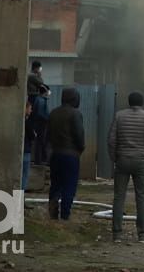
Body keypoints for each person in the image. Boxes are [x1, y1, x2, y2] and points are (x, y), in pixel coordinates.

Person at [109, 91, 144, 244]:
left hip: (122, 160)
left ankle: (117, 234)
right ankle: (142, 234)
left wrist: (114, 158)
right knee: (141, 197)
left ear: (129, 102)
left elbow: (111, 140)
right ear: (142, 102)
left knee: (119, 196)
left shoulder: (119, 116)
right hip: (141, 161)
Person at [46, 88, 86, 220]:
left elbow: (48, 135)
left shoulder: (53, 113)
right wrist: (80, 149)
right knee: (69, 186)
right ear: (75, 98)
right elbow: (79, 135)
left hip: (55, 153)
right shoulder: (75, 114)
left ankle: (53, 212)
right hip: (71, 155)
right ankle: (65, 214)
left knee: (55, 184)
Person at [22, 100, 35, 192]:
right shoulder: (27, 122)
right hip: (26, 151)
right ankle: (20, 196)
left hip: (21, 150)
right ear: (25, 109)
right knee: (24, 175)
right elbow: (32, 135)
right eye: (30, 108)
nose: (31, 110)